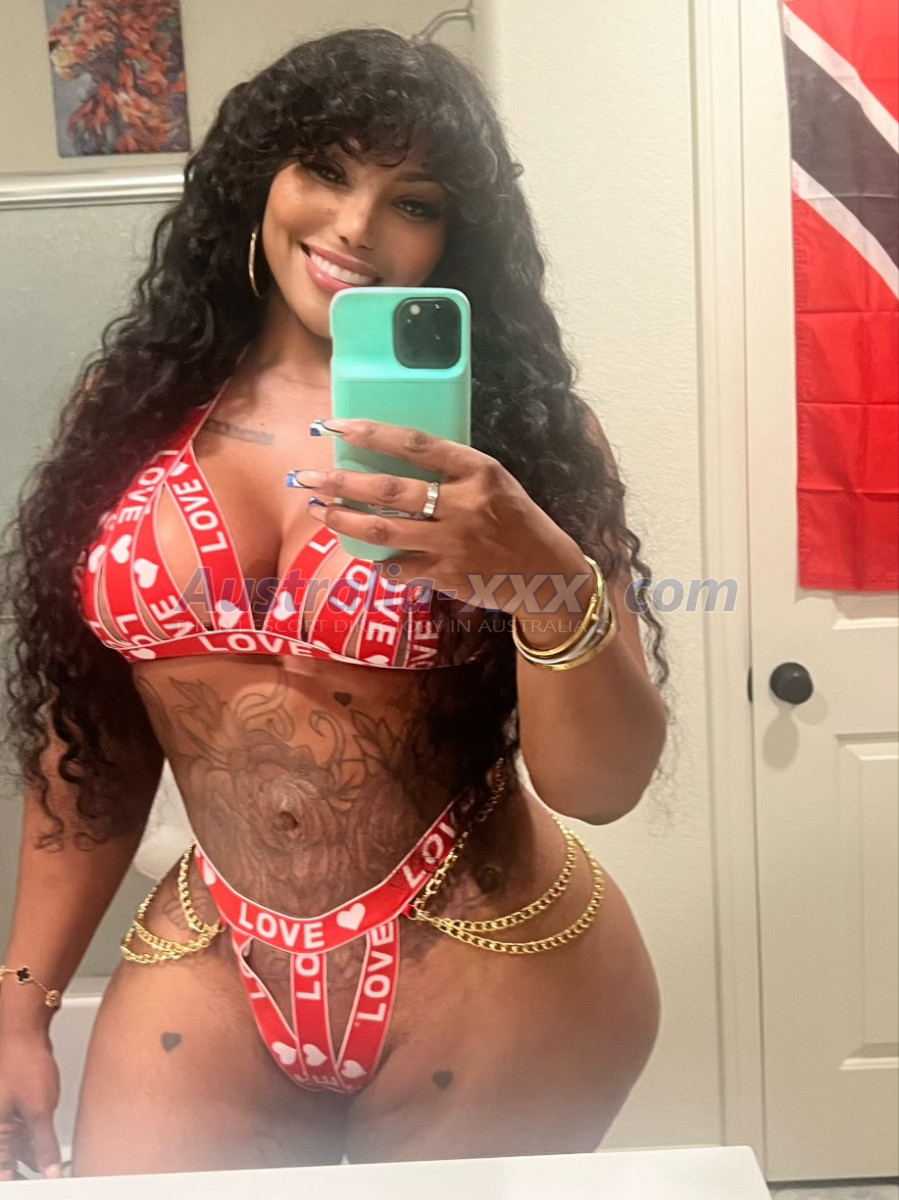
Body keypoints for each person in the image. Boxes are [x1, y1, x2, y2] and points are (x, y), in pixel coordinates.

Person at [0, 27, 670, 1178]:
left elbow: (599, 786)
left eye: (412, 201)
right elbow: (90, 740)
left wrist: (544, 581)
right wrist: (22, 1000)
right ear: (258, 177)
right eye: (324, 168)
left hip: (492, 961)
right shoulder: (127, 413)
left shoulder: (517, 446)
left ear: (454, 237)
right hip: (211, 968)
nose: (355, 225)